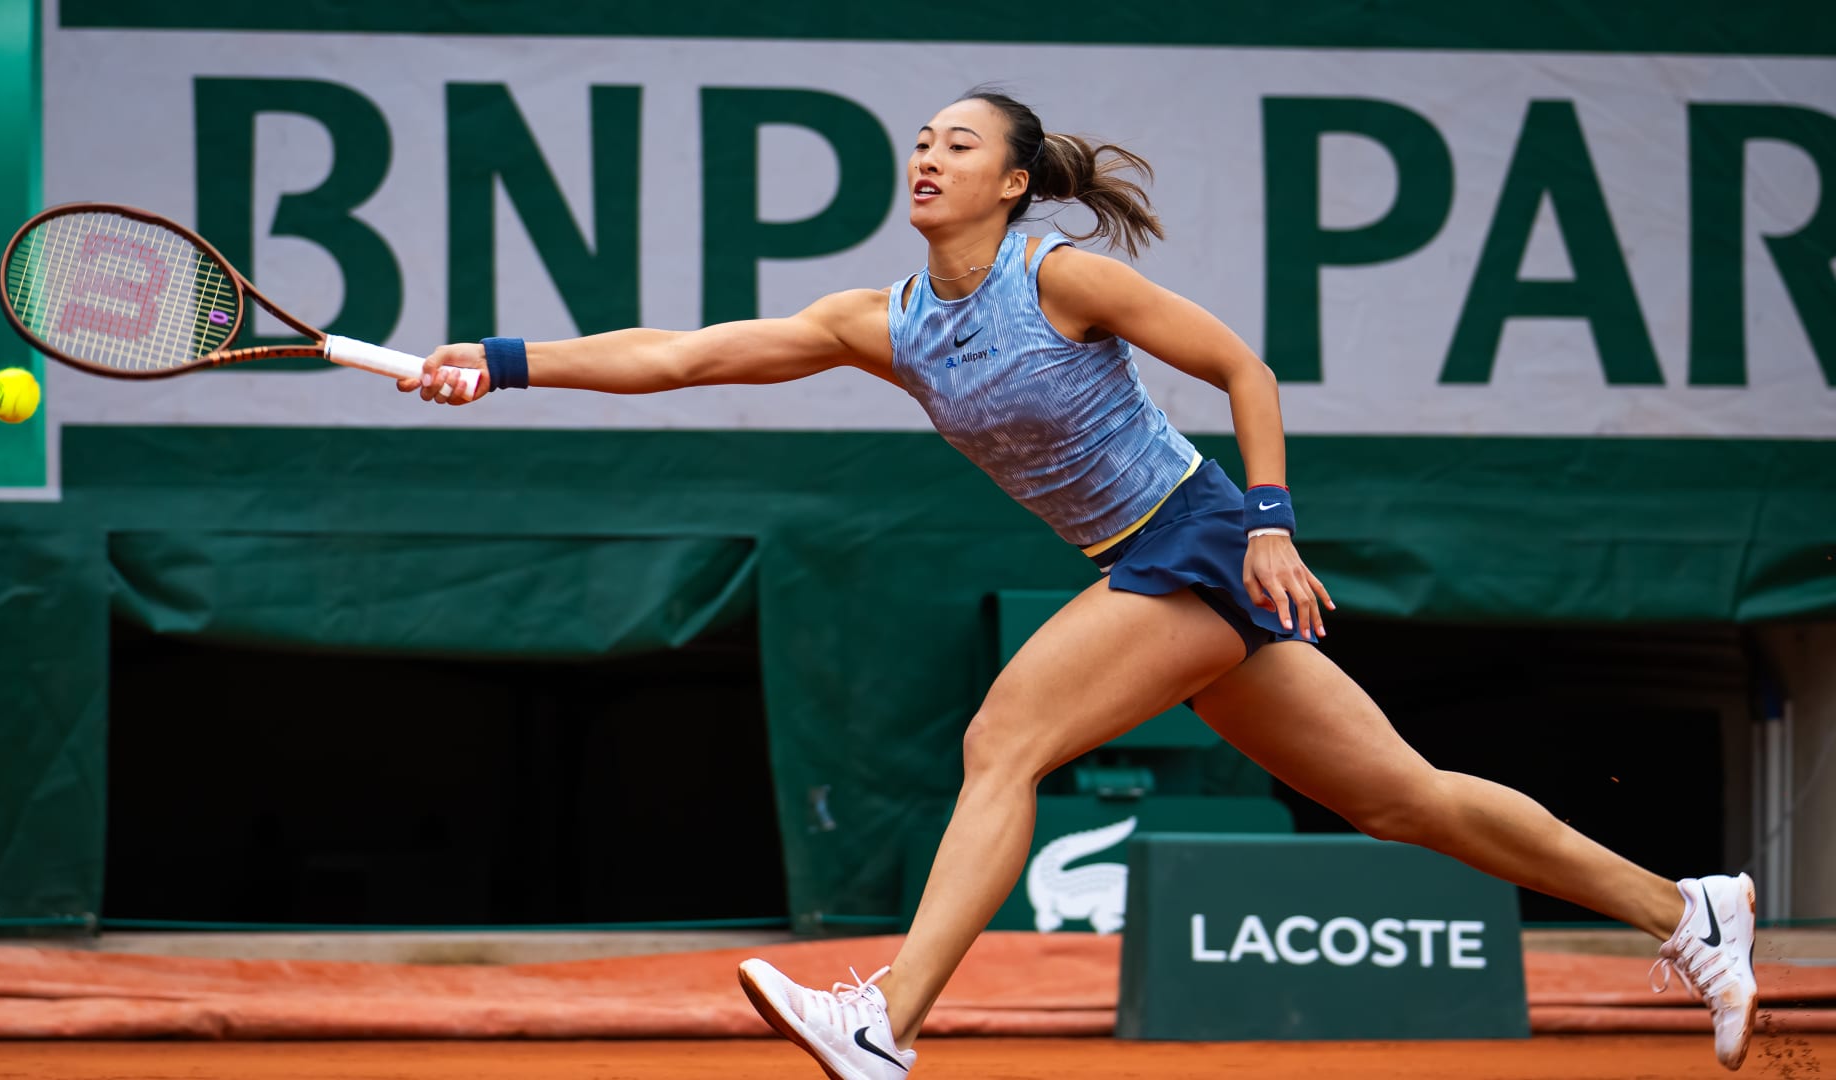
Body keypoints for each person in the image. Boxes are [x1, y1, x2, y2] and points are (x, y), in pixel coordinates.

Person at [400, 87, 1760, 1076]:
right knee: (1402, 797)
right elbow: (684, 354)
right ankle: (1685, 907)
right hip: (1151, 561)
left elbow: (1245, 371)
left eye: (957, 146)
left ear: (1010, 183)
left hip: (1197, 540)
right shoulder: (883, 324)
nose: (927, 158)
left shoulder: (1064, 280)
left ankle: (886, 1021)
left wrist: (1273, 524)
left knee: (1005, 739)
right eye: (920, 143)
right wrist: (499, 357)